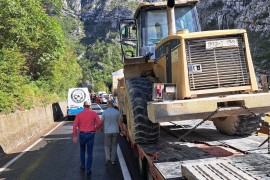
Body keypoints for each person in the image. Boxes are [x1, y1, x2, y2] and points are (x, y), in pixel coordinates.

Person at [72, 101, 102, 175]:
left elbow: (74, 126)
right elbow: (100, 123)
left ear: (83, 106)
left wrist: (74, 135)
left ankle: (82, 165)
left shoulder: (79, 114)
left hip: (82, 134)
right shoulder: (93, 113)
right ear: (90, 106)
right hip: (90, 134)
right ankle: (88, 169)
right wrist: (95, 129)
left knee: (82, 150)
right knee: (90, 152)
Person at [101, 100, 123, 165]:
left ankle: (107, 158)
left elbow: (102, 122)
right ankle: (113, 160)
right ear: (113, 105)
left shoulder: (104, 112)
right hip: (115, 131)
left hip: (107, 131)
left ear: (108, 104)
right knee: (114, 146)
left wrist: (101, 128)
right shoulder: (117, 112)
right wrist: (122, 130)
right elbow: (119, 122)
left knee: (107, 145)